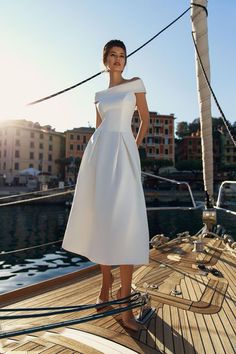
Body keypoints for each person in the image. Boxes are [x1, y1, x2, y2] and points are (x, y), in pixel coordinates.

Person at [62, 39, 150, 331]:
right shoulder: (98, 93)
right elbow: (99, 127)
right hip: (99, 154)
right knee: (102, 219)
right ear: (105, 60)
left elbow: (144, 119)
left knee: (125, 222)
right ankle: (106, 283)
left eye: (122, 56)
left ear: (126, 61)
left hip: (123, 152)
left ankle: (124, 303)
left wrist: (133, 147)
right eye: (112, 55)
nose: (117, 60)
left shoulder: (135, 83)